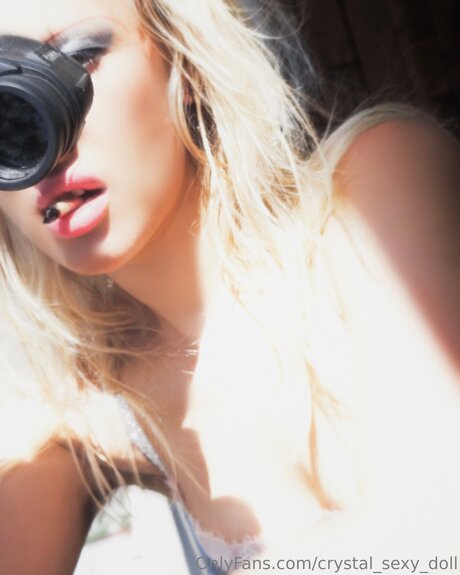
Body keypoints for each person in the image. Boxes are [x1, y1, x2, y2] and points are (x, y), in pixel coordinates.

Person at [0, 0, 459, 573]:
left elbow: (435, 534)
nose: (37, 137)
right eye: (3, 105)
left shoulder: (374, 188)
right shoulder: (98, 406)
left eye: (78, 56)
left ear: (183, 61)